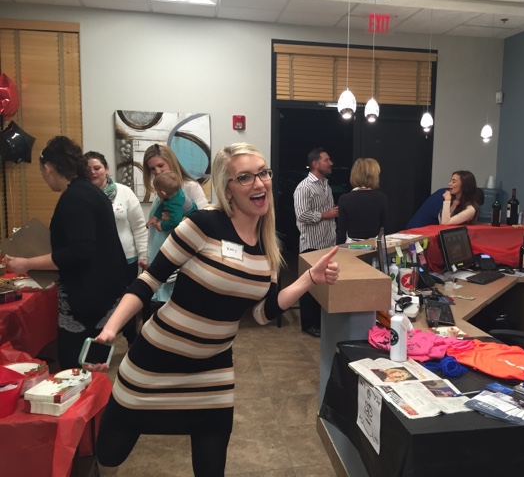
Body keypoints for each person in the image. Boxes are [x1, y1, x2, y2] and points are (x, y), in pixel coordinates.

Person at [90, 143, 340, 476]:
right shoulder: (203, 224)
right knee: (109, 454)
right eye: (245, 177)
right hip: (154, 361)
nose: (259, 183)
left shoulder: (268, 248)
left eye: (263, 173)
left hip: (213, 370)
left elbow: (262, 313)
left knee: (211, 468)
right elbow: (149, 280)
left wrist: (309, 278)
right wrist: (110, 329)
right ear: (228, 189)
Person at [5, 136, 128, 370]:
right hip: (102, 293)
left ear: (48, 168)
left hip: (89, 299)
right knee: (93, 364)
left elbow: (79, 251)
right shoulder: (89, 192)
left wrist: (27, 263)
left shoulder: (75, 198)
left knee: (77, 365)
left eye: (42, 172)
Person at [85, 150, 148, 346]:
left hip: (127, 259)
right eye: (88, 169)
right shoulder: (83, 195)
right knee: (101, 303)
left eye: (97, 168)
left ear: (106, 169)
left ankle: (131, 339)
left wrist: (143, 254)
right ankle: (101, 340)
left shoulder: (124, 192)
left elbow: (139, 226)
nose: (93, 172)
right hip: (96, 261)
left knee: (127, 301)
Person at [142, 143, 209, 304]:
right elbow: (155, 233)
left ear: (171, 162)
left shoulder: (190, 187)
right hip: (161, 258)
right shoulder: (160, 192)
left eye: (161, 165)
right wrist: (147, 256)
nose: (157, 172)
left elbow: (205, 221)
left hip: (182, 260)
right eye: (152, 169)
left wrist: (179, 220)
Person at [293, 147, 338, 338]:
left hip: (327, 244)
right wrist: (326, 214)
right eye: (327, 160)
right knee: (309, 286)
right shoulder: (304, 187)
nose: (331, 163)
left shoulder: (326, 185)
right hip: (311, 244)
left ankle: (320, 322)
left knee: (322, 286)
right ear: (315, 163)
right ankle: (308, 325)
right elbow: (302, 215)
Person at [336, 157, 388, 244]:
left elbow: (341, 231)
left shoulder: (344, 199)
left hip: (351, 246)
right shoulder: (381, 198)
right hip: (374, 246)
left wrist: (338, 250)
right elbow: (384, 228)